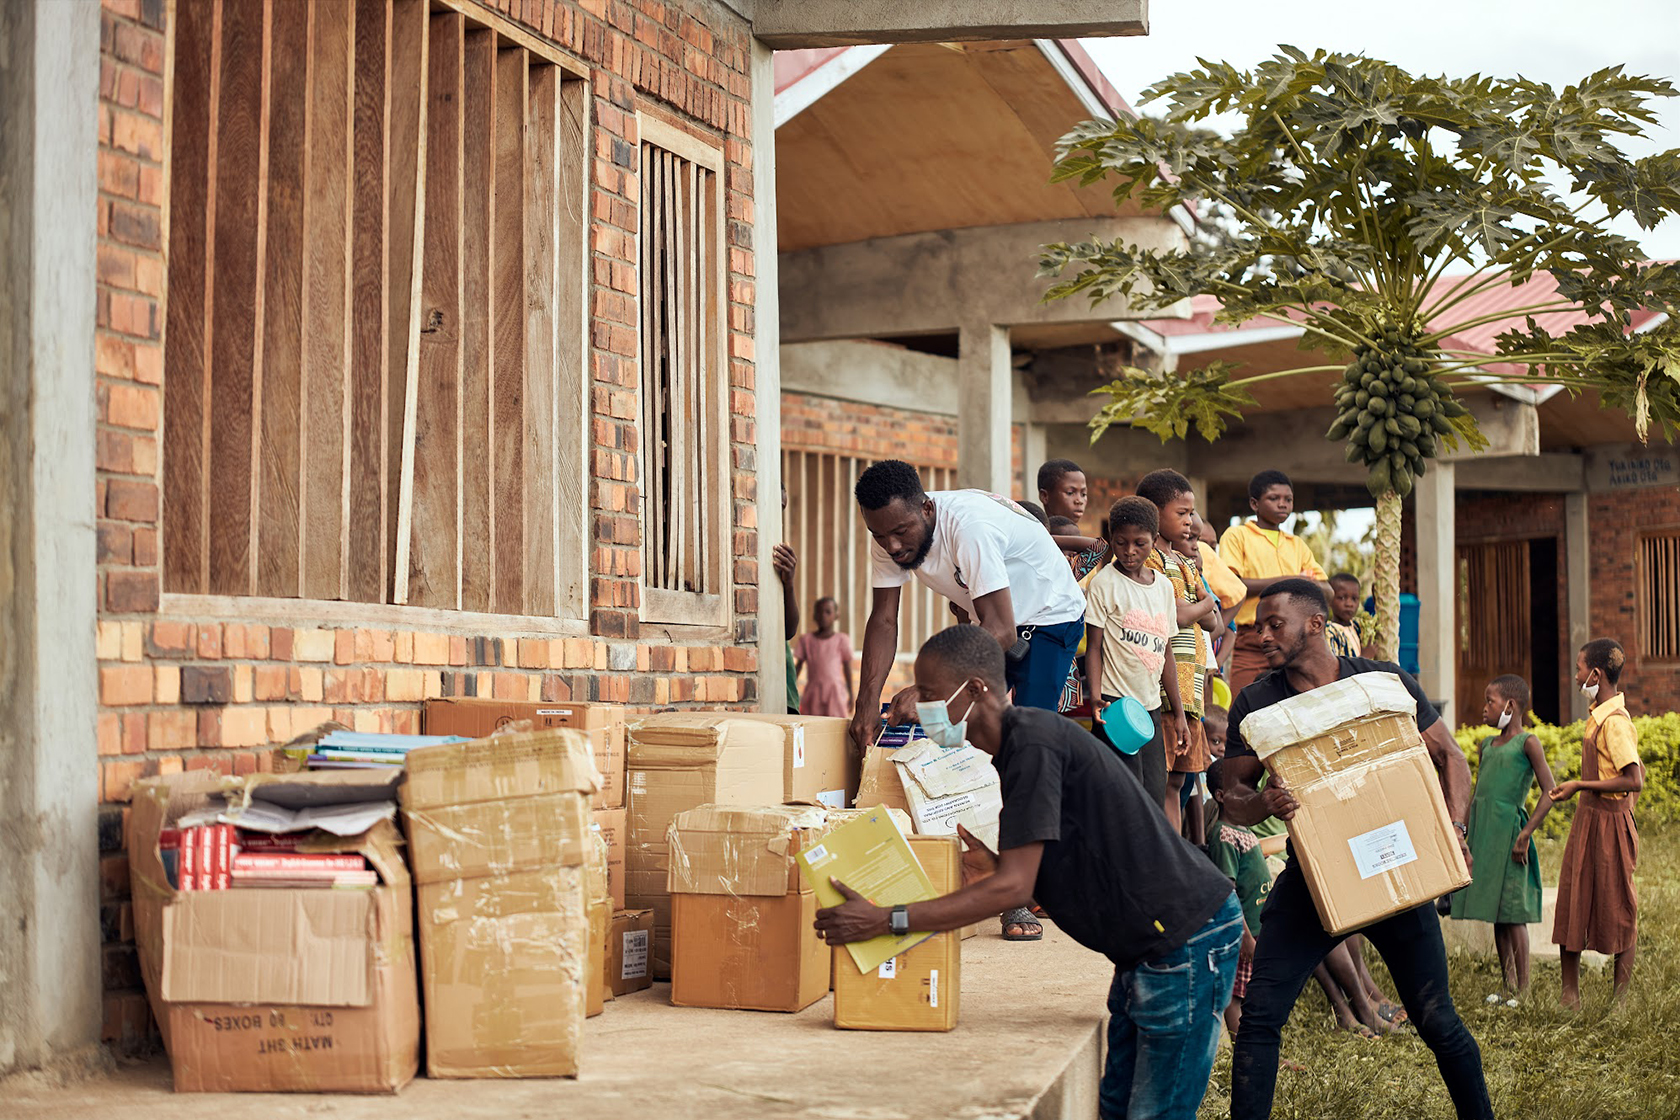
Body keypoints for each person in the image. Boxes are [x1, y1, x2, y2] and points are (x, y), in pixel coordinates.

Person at [814, 625, 1241, 1120]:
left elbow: (1013, 888)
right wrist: (993, 867)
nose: (915, 706)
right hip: (1147, 950)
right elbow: (1054, 859)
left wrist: (888, 920)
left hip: (1184, 943)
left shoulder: (1033, 744)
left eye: (928, 694)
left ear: (973, 690)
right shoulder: (1019, 748)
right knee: (1119, 1108)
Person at [1218, 579, 1491, 1120]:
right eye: (1257, 626)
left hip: (1395, 869)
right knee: (1261, 1019)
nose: (1262, 635)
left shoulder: (1383, 682)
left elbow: (1452, 757)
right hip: (1315, 882)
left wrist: (1454, 831)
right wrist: (1263, 803)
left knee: (1437, 1018)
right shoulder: (1257, 701)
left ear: (1316, 625)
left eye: (1275, 624)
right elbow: (1230, 797)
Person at [849, 460, 1088, 942]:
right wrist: (864, 704)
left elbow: (1000, 629)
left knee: (1026, 748)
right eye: (881, 536)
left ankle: (1023, 893)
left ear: (927, 507)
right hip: (990, 621)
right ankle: (970, 867)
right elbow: (884, 621)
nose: (893, 547)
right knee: (959, 742)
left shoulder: (969, 527)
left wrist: (929, 690)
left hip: (1048, 619)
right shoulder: (888, 530)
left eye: (900, 532)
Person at [1449, 674, 1557, 1004]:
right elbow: (1478, 791)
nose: (1484, 709)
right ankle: (1507, 983)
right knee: (1496, 910)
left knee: (1512, 912)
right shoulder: (1486, 745)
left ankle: (1523, 990)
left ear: (1510, 706)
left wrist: (1525, 834)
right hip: (1485, 834)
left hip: (1510, 833)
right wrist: (1462, 831)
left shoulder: (1528, 743)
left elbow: (1550, 792)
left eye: (1490, 702)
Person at [1551, 638, 1644, 1008]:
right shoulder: (1597, 715)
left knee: (1619, 905)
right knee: (1573, 895)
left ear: (1596, 673)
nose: (1575, 677)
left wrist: (1580, 785)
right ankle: (1568, 995)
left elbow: (1633, 779)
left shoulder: (1615, 723)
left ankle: (1619, 1001)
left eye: (1578, 669)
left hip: (1609, 824)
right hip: (1588, 819)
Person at [1085, 497, 1186, 809]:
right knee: (1125, 799)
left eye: (1139, 543)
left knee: (1154, 795)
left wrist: (1179, 712)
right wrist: (1096, 695)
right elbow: (1094, 648)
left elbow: (1166, 652)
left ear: (1154, 541)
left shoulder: (1164, 588)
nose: (1129, 551)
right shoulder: (1104, 584)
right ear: (1111, 539)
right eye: (1120, 542)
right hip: (1115, 706)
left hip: (1151, 709)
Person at [1136, 470, 1219, 833]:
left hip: (1192, 693)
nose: (1191, 522)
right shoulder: (1149, 560)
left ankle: (1178, 855)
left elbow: (1214, 622)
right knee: (1160, 780)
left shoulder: (1185, 563)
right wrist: (1203, 604)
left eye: (1191, 513)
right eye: (1182, 513)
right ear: (1154, 513)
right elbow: (1180, 615)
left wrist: (1201, 607)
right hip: (1164, 692)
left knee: (1178, 783)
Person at [1217, 471, 1329, 692]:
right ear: (1254, 503)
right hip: (1252, 638)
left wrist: (1303, 584)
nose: (1283, 504)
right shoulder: (1237, 536)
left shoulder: (1297, 545)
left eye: (1288, 499)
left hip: (1296, 641)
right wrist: (1293, 580)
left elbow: (1327, 591)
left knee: (1299, 705)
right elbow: (1233, 586)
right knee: (1245, 707)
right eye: (1274, 498)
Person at [1205, 759, 1270, 1039]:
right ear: (1221, 796)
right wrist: (1243, 934)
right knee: (1236, 993)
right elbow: (1226, 890)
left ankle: (1252, 1041)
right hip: (1244, 933)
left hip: (1257, 929)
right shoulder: (1223, 837)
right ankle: (1241, 1042)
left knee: (1249, 990)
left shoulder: (1242, 828)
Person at [793, 597, 855, 719]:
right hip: (813, 692)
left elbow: (847, 668)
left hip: (835, 692)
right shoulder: (806, 640)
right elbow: (797, 667)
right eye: (819, 612)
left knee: (836, 724)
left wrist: (851, 694)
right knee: (813, 724)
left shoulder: (842, 640)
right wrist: (789, 690)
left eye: (828, 612)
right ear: (814, 616)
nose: (823, 616)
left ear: (836, 615)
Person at [774, 485, 800, 715]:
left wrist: (789, 583)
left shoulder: (781, 552)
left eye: (782, 508)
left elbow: (788, 631)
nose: (779, 515)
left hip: (782, 682)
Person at [1326, 573, 1367, 659]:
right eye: (1342, 598)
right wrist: (1364, 657)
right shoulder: (1330, 632)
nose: (1349, 604)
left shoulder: (1358, 627)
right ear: (1329, 600)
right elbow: (1335, 666)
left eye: (1354, 599)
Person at [1038, 458, 1088, 525]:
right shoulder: (1035, 534)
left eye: (1083, 494)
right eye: (1070, 493)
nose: (1079, 501)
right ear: (1044, 496)